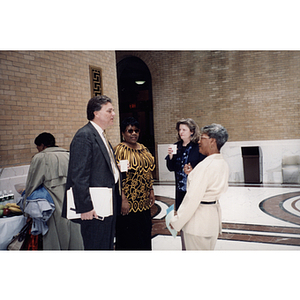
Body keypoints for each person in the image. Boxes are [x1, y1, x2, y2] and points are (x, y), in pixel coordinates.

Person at [63, 95, 121, 250]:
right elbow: (79, 175)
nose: (113, 114)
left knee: (106, 243)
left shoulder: (101, 135)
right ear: (96, 113)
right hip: (94, 206)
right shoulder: (84, 135)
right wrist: (85, 207)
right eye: (109, 111)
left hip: (107, 200)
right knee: (96, 245)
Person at [169, 123, 229, 250]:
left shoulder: (204, 166)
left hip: (198, 224)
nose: (199, 141)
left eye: (203, 138)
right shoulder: (222, 163)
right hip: (211, 221)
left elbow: (192, 199)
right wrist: (192, 175)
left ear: (212, 141)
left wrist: (176, 222)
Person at [24, 132, 84, 250]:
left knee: (55, 240)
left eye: (38, 148)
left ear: (42, 145)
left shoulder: (40, 158)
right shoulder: (69, 155)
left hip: (52, 207)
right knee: (74, 237)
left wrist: (27, 210)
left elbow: (32, 184)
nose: (38, 151)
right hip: (72, 204)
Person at [114, 117, 155, 250]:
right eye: (129, 131)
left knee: (144, 233)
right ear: (123, 133)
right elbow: (118, 177)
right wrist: (123, 199)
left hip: (143, 200)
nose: (133, 133)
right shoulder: (120, 150)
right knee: (129, 237)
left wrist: (151, 190)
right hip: (129, 202)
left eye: (136, 130)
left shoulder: (143, 149)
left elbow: (148, 172)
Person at [165, 118, 206, 250]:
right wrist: (171, 156)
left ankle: (195, 247)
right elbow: (171, 168)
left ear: (192, 132)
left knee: (194, 219)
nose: (181, 132)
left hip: (194, 190)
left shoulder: (198, 147)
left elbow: (203, 168)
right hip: (180, 190)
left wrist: (192, 172)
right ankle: (185, 248)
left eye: (184, 129)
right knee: (182, 219)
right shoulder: (176, 146)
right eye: (179, 129)